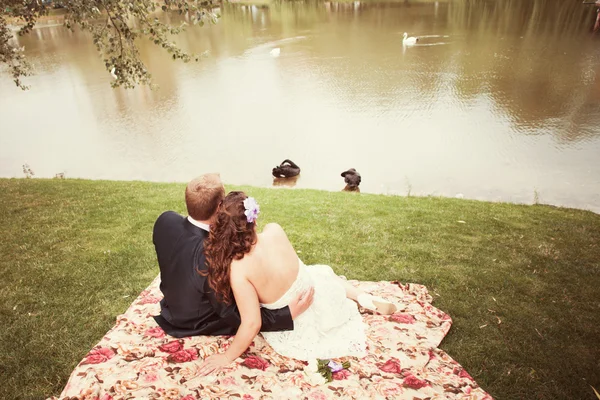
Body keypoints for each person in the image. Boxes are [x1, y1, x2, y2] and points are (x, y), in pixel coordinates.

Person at [198, 191, 396, 375]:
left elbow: (252, 323)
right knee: (320, 273)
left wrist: (226, 356)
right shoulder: (274, 230)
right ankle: (363, 297)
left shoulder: (239, 269)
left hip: (296, 326)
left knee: (317, 273)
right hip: (319, 299)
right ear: (252, 218)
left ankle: (360, 297)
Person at [152, 174, 314, 337]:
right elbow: (233, 314)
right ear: (219, 208)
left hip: (171, 305)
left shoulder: (165, 220)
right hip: (196, 321)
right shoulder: (213, 255)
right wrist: (286, 315)